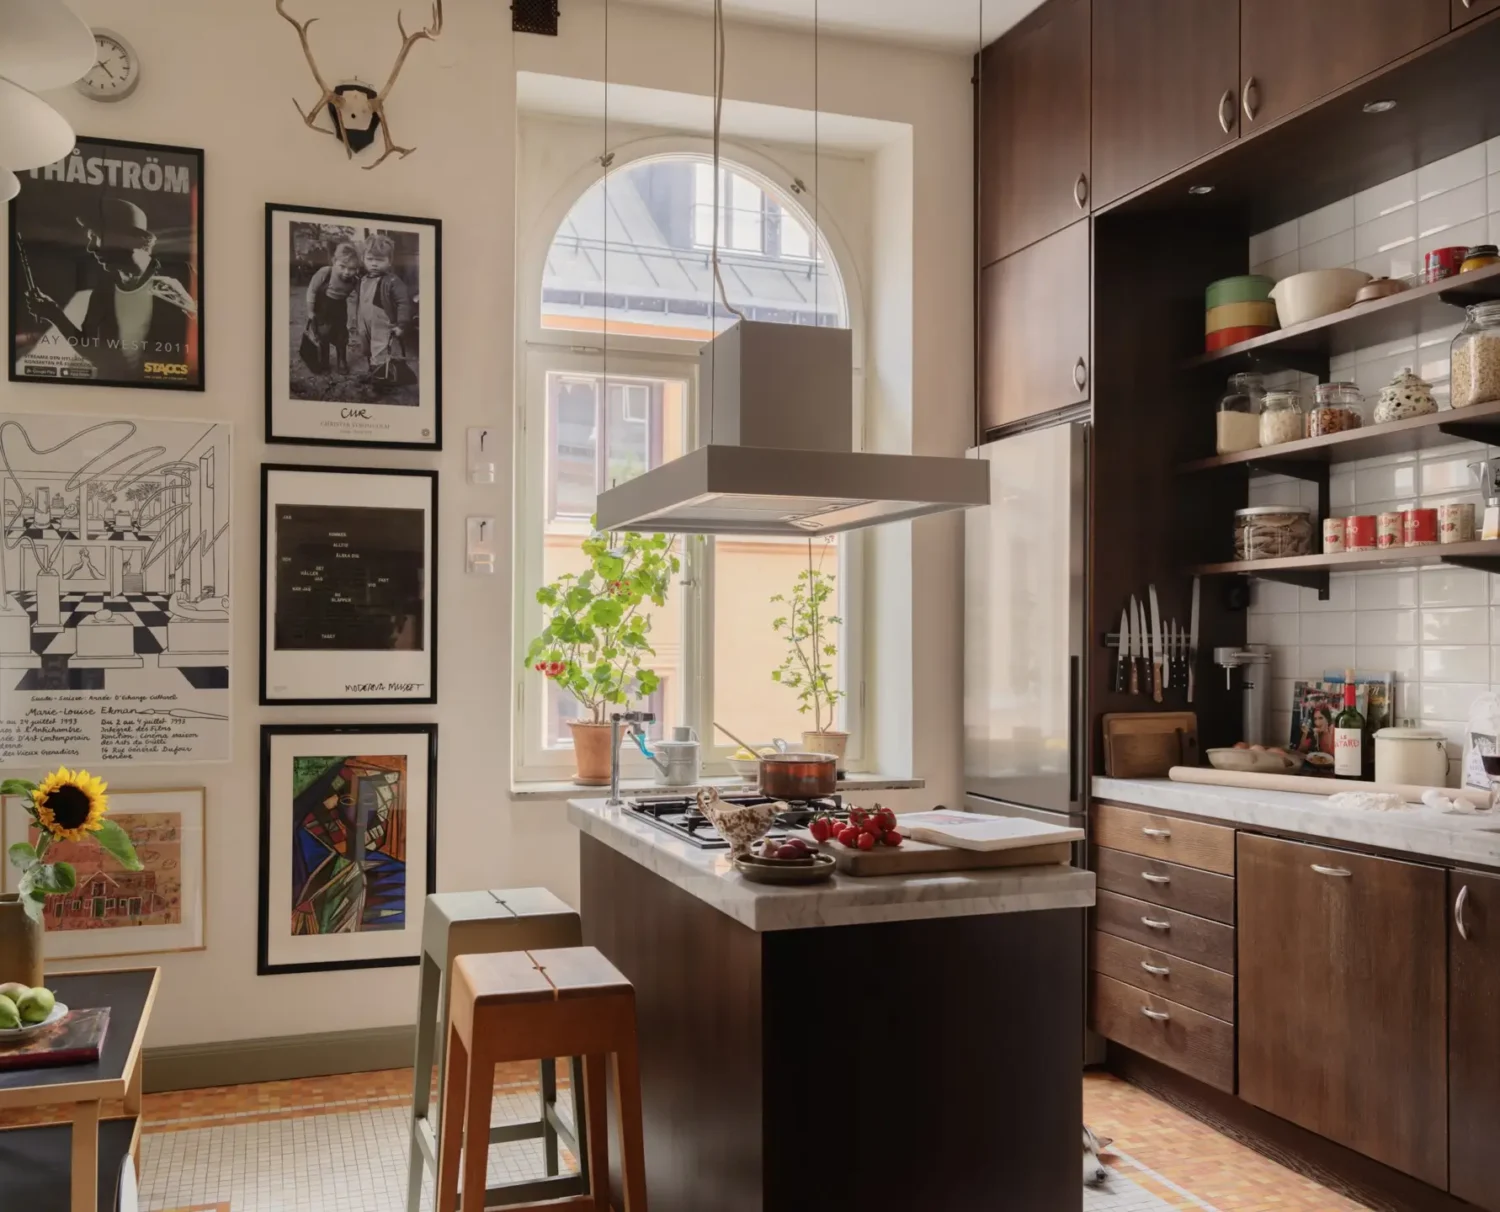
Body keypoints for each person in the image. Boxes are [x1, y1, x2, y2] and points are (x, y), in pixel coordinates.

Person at [17, 196, 197, 381]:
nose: (90, 247)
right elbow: (92, 350)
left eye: (95, 237)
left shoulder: (183, 275)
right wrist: (54, 314)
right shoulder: (103, 292)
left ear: (126, 239)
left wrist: (191, 309)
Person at [353, 233, 413, 380]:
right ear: (363, 260)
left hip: (382, 324)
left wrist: (401, 324)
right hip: (365, 323)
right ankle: (373, 372)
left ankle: (380, 381)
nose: (374, 263)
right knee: (367, 349)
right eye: (370, 259)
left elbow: (403, 303)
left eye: (379, 260)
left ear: (390, 261)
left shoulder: (392, 281)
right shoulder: (363, 279)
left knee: (380, 351)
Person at [304, 242, 360, 373]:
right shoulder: (325, 272)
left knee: (341, 336)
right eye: (342, 266)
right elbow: (311, 291)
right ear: (334, 261)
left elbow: (362, 298)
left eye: (352, 268)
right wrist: (310, 311)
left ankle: (342, 360)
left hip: (339, 310)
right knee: (323, 335)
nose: (347, 272)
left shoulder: (354, 281)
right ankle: (324, 361)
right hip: (322, 309)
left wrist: (357, 317)